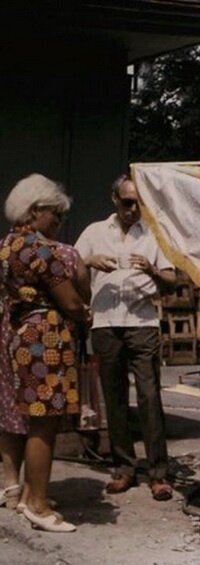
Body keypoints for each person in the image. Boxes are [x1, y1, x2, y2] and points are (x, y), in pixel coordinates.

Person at [75, 175, 177, 501]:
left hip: (142, 322)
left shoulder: (154, 233)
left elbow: (173, 280)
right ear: (114, 200)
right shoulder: (94, 232)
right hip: (105, 322)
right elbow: (70, 264)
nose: (133, 209)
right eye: (127, 202)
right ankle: (124, 468)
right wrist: (90, 261)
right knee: (114, 398)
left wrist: (151, 270)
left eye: (139, 203)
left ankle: (159, 473)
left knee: (149, 397)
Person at [1, 174, 92, 532]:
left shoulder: (7, 245)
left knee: (27, 415)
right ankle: (38, 505)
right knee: (43, 422)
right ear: (35, 209)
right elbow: (69, 300)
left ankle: (26, 494)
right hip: (46, 340)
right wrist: (84, 312)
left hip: (20, 336)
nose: (59, 221)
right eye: (55, 214)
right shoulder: (45, 251)